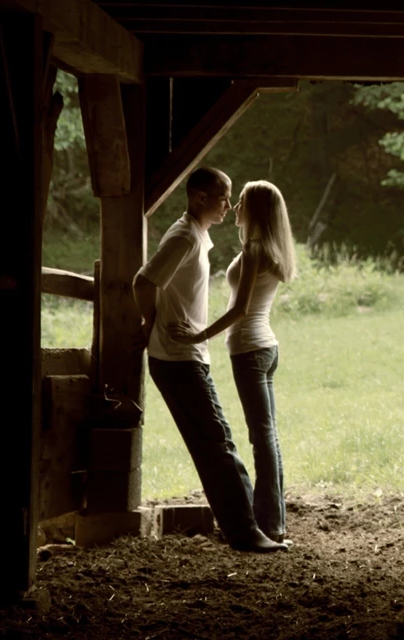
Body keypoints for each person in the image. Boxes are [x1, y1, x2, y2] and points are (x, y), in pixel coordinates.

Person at [132, 167, 287, 553]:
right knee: (218, 444)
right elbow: (143, 280)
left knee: (214, 444)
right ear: (200, 198)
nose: (229, 205)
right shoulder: (185, 236)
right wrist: (149, 324)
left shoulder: (199, 237)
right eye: (223, 197)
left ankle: (246, 526)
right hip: (178, 356)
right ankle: (247, 531)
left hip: (190, 354)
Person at [169, 179, 297, 545]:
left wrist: (197, 336)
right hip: (265, 348)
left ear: (254, 209)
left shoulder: (256, 249)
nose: (234, 206)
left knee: (262, 438)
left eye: (240, 201)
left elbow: (240, 310)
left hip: (250, 351)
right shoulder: (270, 248)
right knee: (266, 436)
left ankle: (269, 524)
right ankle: (271, 519)